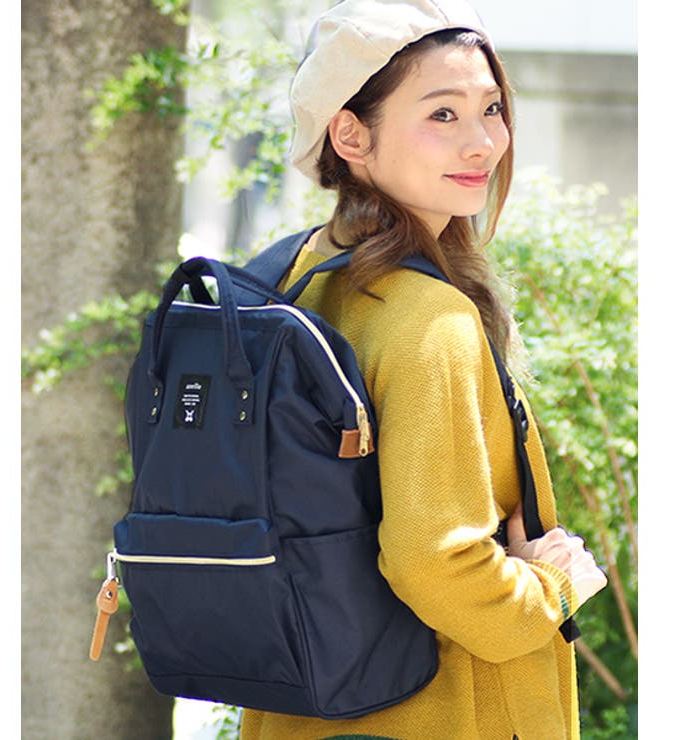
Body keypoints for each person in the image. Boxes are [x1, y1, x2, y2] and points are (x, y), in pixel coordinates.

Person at [239, 1, 607, 738]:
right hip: (440, 711)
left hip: (307, 706)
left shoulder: (286, 277)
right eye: (442, 114)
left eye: (492, 108)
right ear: (350, 133)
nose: (483, 143)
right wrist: (551, 589)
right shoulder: (430, 319)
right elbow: (432, 562)